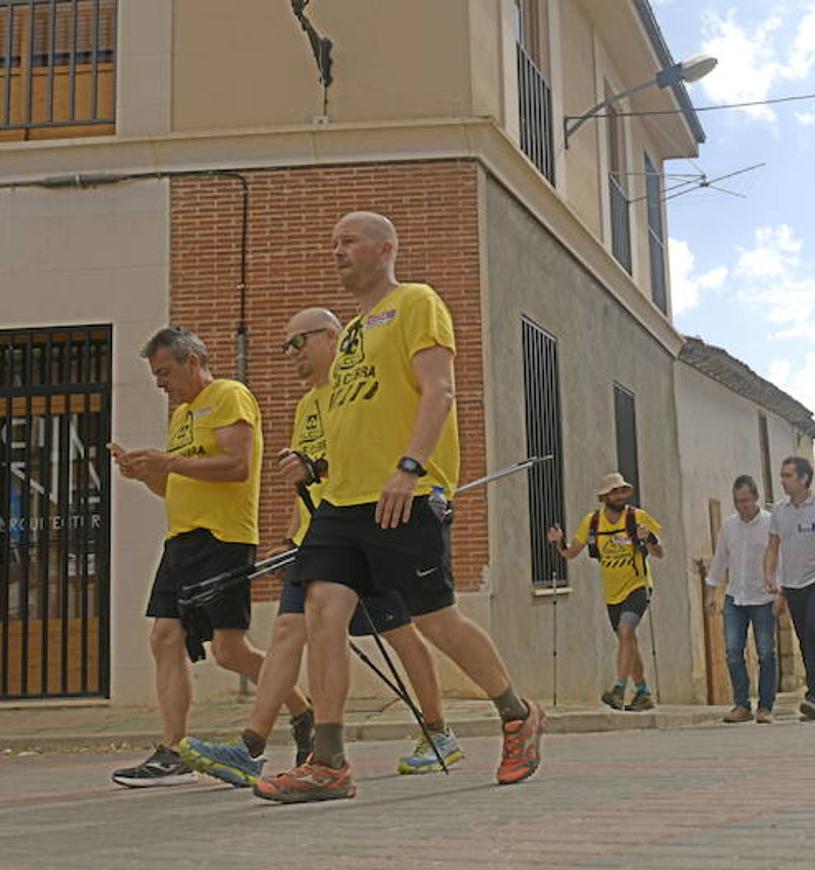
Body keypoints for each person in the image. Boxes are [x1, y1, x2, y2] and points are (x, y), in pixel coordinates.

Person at [253, 211, 544, 803]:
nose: (337, 251)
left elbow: (438, 390)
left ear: (385, 248)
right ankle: (329, 761)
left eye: (348, 241)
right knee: (322, 613)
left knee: (436, 619)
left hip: (403, 494)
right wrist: (315, 468)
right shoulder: (354, 332)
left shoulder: (417, 302)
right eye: (332, 242)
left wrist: (410, 467)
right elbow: (353, 415)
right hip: (341, 503)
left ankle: (516, 715)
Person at [177, 308, 461, 787]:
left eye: (297, 342)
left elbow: (368, 458)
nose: (291, 354)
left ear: (332, 337)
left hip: (368, 531)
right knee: (288, 629)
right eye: (285, 346)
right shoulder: (308, 405)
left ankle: (438, 730)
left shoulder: (365, 393)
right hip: (321, 539)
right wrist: (293, 535)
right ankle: (251, 746)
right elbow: (304, 483)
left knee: (402, 633)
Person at [107, 326, 284, 788]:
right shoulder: (182, 415)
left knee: (229, 650)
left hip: (222, 537)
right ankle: (173, 750)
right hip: (181, 539)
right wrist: (144, 474)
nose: (160, 383)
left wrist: (168, 462)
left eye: (165, 372)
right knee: (164, 636)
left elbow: (236, 466)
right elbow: (174, 484)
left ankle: (305, 712)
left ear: (191, 361)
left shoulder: (229, 395)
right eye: (154, 375)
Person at [548, 473, 664, 711]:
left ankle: (619, 689)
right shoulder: (592, 523)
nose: (620, 496)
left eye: (622, 491)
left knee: (625, 630)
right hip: (612, 593)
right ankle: (643, 692)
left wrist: (649, 538)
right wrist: (557, 542)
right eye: (614, 492)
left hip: (638, 585)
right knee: (627, 639)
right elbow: (570, 553)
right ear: (604, 497)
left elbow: (659, 552)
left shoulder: (636, 517)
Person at [763, 456, 815, 721]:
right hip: (792, 585)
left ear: (804, 479)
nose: (782, 480)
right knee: (806, 640)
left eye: (787, 475)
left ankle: (814, 695)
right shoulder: (779, 513)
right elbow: (773, 548)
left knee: (812, 629)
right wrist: (770, 576)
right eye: (782, 475)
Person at [704, 475, 776, 724]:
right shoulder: (729, 526)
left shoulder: (771, 523)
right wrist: (712, 591)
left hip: (763, 597)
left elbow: (782, 558)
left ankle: (765, 706)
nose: (741, 506)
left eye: (745, 501)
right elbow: (719, 559)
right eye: (737, 502)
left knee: (766, 652)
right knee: (733, 652)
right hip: (736, 596)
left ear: (756, 497)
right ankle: (741, 704)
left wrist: (782, 593)